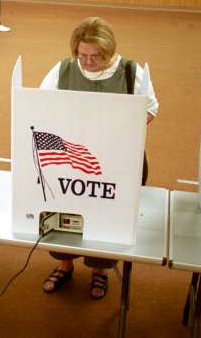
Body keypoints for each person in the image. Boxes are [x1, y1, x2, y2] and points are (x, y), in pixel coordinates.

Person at [39, 17, 159, 299]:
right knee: (65, 209)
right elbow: (42, 104)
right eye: (82, 55)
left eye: (96, 56)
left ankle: (99, 269)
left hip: (119, 160)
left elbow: (151, 108)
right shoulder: (63, 68)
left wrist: (123, 128)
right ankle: (65, 264)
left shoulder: (131, 71)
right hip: (73, 157)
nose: (89, 62)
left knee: (107, 215)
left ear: (110, 51)